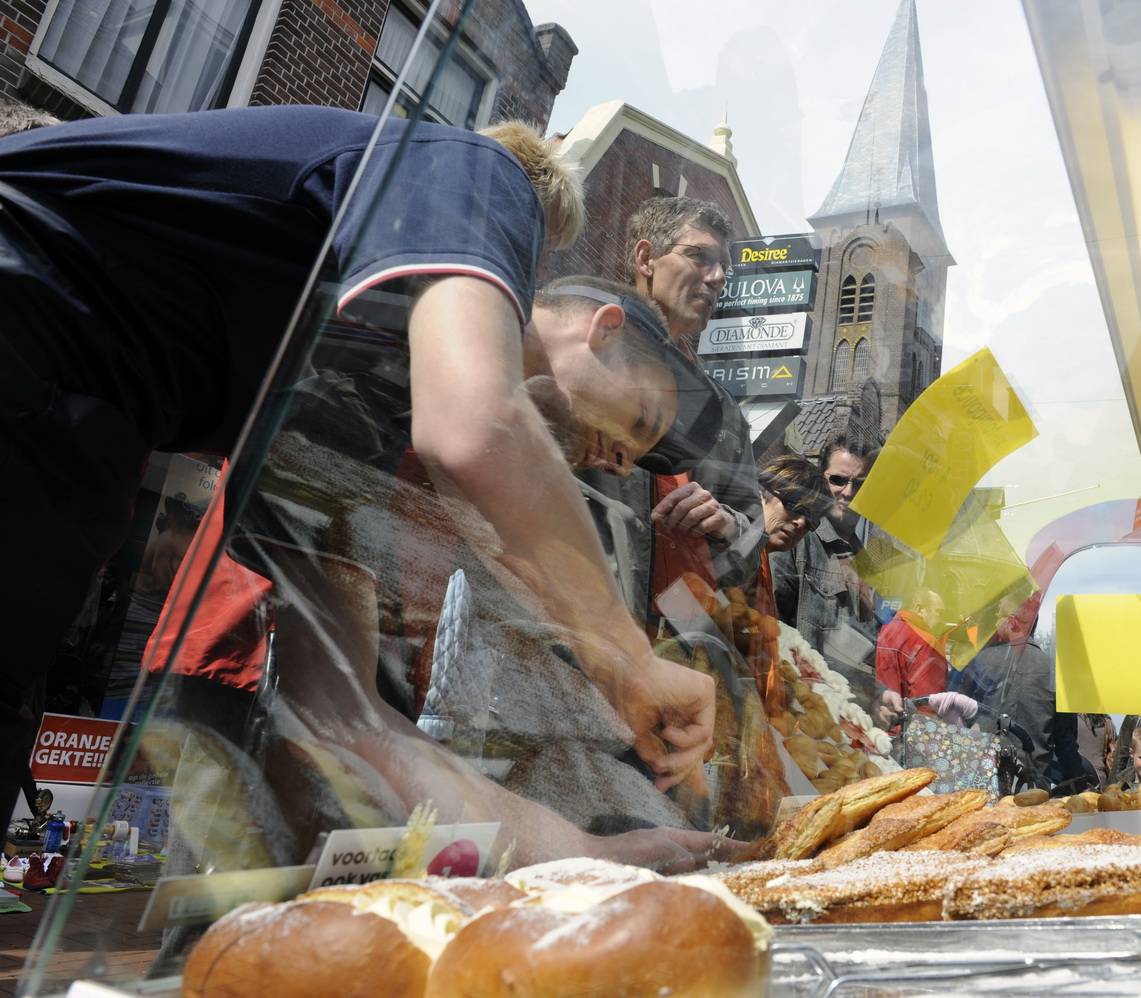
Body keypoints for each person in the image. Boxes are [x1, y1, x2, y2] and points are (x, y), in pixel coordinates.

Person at [0, 106, 726, 868]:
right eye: (641, 418)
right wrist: (629, 657)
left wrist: (581, 853)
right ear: (603, 325)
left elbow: (340, 710)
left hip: (71, 407)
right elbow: (478, 429)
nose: (624, 457)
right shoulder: (483, 173)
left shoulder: (356, 393)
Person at [577, 197, 764, 629]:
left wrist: (724, 524)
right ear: (646, 259)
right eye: (698, 256)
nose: (717, 278)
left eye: (723, 269)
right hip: (568, 621)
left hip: (663, 647)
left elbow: (752, 543)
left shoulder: (723, 413)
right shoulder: (581, 351)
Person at [770, 436, 900, 726]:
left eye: (861, 484)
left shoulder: (867, 561)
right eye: (838, 479)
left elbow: (851, 655)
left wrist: (874, 695)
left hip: (834, 720)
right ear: (821, 479)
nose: (848, 492)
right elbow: (769, 628)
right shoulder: (796, 537)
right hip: (792, 710)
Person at [952, 592, 1093, 787]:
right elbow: (1065, 742)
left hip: (983, 780)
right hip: (1034, 786)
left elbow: (954, 718)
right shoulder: (1055, 671)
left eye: (998, 616)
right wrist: (1082, 784)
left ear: (1012, 622)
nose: (995, 623)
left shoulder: (982, 661)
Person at [875, 588, 951, 700]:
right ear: (920, 609)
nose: (942, 620)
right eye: (939, 612)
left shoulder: (886, 629)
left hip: (877, 706)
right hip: (900, 713)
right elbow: (927, 703)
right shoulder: (927, 643)